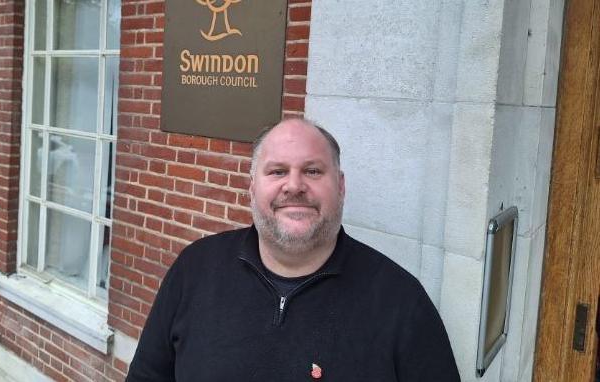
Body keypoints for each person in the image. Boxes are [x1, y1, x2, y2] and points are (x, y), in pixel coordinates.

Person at [126, 118, 460, 381]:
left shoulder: (401, 302)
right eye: (278, 171)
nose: (295, 185)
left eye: (313, 171)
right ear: (252, 187)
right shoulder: (195, 269)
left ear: (340, 187)